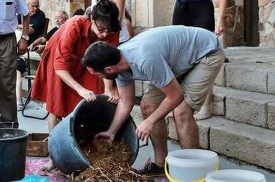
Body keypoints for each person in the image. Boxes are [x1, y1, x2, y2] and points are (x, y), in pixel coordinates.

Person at [81, 26, 225, 177]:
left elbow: (175, 96)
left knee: (181, 111)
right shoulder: (119, 66)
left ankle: (193, 171)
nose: (99, 77)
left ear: (109, 69)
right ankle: (160, 164)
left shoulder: (144, 59)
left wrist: (149, 122)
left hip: (205, 53)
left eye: (98, 74)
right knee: (148, 106)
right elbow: (126, 102)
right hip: (176, 61)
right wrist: (111, 132)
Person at [31, 0, 121, 132]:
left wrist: (108, 89)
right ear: (92, 19)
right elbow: (60, 66)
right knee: (57, 98)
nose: (104, 35)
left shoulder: (111, 30)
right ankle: (53, 139)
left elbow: (106, 62)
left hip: (87, 57)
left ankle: (85, 131)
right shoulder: (74, 26)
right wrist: (80, 89)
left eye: (108, 31)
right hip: (59, 56)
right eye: (101, 30)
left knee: (96, 90)